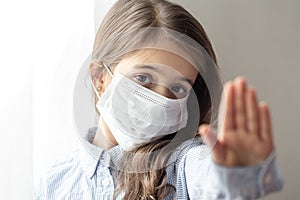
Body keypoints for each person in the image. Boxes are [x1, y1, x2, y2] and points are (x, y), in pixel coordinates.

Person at [35, 0, 284, 199]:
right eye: (143, 78)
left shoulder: (181, 164)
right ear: (100, 78)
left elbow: (208, 178)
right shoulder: (54, 184)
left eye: (177, 87)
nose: (160, 101)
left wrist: (233, 174)